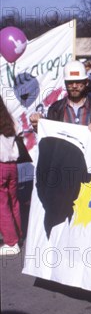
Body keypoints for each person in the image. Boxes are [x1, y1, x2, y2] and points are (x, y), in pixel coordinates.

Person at [30, 60, 91, 131]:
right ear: (65, 83)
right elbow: (50, 135)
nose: (74, 86)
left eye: (78, 82)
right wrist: (39, 124)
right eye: (70, 82)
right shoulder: (55, 109)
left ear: (86, 82)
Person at [0, 97, 22, 255]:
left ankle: (11, 242)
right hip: (12, 166)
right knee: (13, 202)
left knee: (2, 205)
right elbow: (20, 131)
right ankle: (17, 236)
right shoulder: (10, 119)